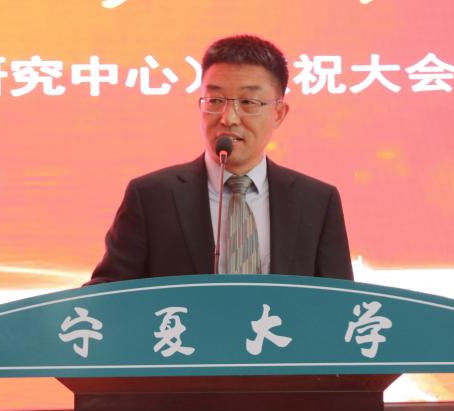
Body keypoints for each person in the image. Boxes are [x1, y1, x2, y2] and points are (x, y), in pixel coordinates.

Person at [86, 35, 353, 284]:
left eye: (248, 102)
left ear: (279, 113)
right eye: (215, 100)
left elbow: (341, 303)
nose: (229, 118)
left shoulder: (317, 202)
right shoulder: (151, 197)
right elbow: (107, 295)